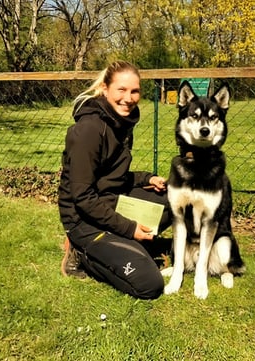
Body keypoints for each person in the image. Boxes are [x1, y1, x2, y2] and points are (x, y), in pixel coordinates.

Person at [58, 60, 171, 300]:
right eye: (121, 90)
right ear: (105, 89)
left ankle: (127, 246)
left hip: (109, 202)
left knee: (172, 198)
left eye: (135, 91)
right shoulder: (88, 130)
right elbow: (83, 197)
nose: (128, 98)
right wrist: (130, 229)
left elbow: (112, 177)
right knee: (150, 284)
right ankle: (81, 253)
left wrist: (146, 179)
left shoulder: (121, 124)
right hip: (83, 220)